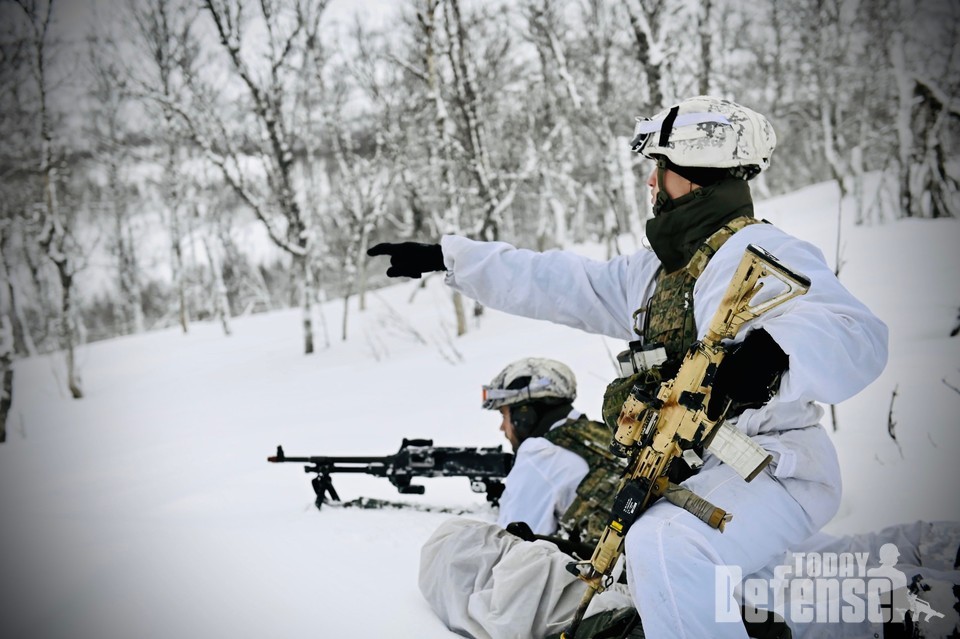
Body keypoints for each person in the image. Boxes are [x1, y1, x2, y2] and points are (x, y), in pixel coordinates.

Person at [370, 95, 889, 638]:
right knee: (730, 588)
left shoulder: (759, 249)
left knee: (666, 544)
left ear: (692, 175)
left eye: (659, 169)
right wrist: (450, 259)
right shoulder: (659, 273)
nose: (651, 183)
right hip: (696, 474)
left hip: (773, 472)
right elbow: (561, 282)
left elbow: (859, 336)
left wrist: (777, 352)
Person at [480, 357, 625, 546]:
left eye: (504, 415)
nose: (502, 427)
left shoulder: (540, 454)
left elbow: (513, 548)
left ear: (524, 415)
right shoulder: (598, 437)